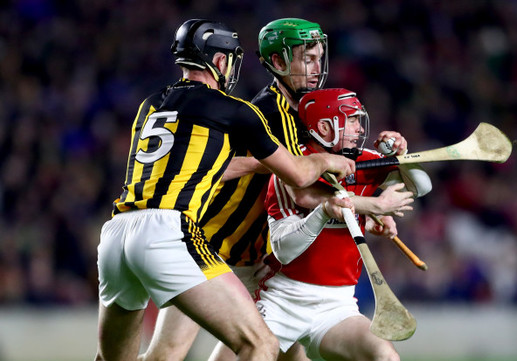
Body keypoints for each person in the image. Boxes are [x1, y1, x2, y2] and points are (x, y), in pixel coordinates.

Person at [95, 19, 356, 361]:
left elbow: (196, 166)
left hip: (116, 233)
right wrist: (325, 161)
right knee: (259, 346)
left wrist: (262, 164)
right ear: (219, 62)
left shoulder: (150, 104)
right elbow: (299, 175)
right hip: (173, 233)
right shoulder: (236, 110)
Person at [258, 88, 432, 361]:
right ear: (324, 127)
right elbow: (285, 251)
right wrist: (337, 210)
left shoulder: (363, 160)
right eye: (350, 120)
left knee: (385, 357)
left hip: (337, 305)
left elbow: (421, 187)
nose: (358, 127)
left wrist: (403, 155)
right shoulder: (292, 168)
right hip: (282, 300)